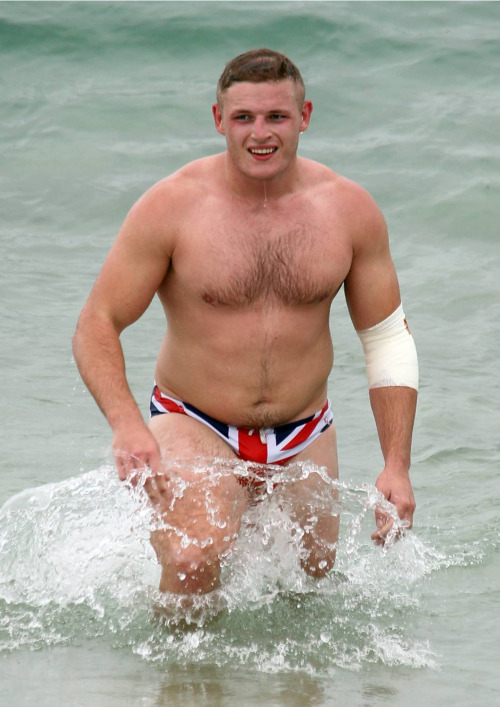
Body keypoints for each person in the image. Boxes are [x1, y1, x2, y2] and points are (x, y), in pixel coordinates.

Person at [73, 48, 418, 597]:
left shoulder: (349, 212)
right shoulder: (173, 207)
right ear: (218, 120)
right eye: (243, 118)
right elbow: (97, 321)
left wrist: (395, 465)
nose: (261, 134)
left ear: (304, 117)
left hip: (304, 433)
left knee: (313, 591)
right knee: (191, 565)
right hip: (196, 422)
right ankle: (177, 683)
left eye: (276, 117)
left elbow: (386, 341)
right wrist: (127, 424)